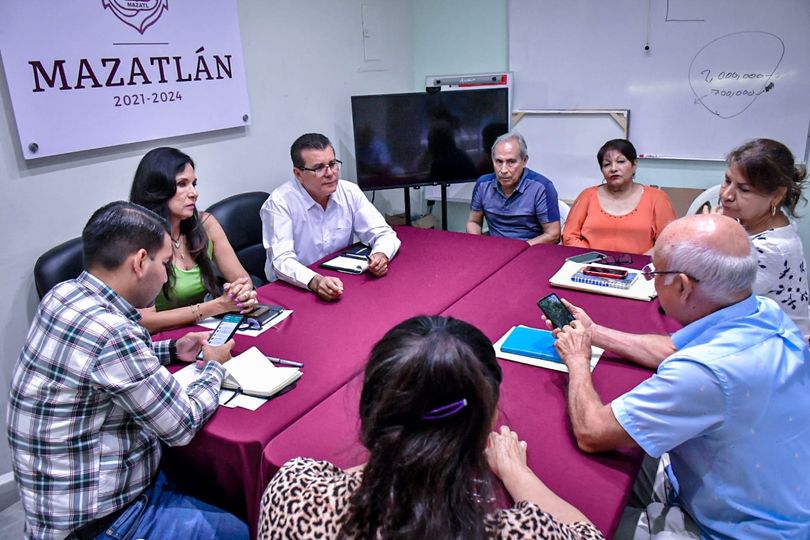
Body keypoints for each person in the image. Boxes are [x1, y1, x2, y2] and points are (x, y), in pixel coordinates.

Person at [548, 214, 810, 539]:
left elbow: (593, 432)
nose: (652, 282)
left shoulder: (704, 372)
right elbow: (673, 350)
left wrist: (577, 358)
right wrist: (594, 332)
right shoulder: (765, 311)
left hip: (732, 530)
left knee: (579, 507)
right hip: (781, 501)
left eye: (654, 273)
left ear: (683, 286)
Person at [7, 201, 248, 540]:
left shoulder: (63, 294)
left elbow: (100, 365)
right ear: (139, 262)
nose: (166, 275)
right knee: (244, 528)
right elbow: (181, 425)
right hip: (103, 520)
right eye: (165, 264)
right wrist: (213, 366)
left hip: (56, 509)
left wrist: (171, 349)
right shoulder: (113, 333)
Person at [258, 315, 604, 539]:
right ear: (486, 421)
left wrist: (395, 455)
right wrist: (517, 472)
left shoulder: (292, 489)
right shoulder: (515, 533)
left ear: (370, 411)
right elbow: (587, 534)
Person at [130, 147, 258, 333]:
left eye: (194, 184)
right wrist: (216, 306)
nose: (194, 193)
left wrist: (242, 294)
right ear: (157, 189)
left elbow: (242, 280)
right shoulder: (138, 240)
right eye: (182, 184)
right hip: (165, 338)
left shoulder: (206, 224)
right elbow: (143, 321)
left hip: (207, 328)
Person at [261, 133, 400, 301]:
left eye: (333, 164)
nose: (330, 173)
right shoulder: (279, 204)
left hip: (341, 280)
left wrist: (381, 254)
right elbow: (281, 261)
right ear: (298, 174)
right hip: (294, 287)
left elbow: (383, 232)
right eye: (319, 168)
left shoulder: (349, 192)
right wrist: (315, 281)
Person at [719, 138, 809, 342]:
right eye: (727, 180)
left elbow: (715, 303)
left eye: (744, 189)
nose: (727, 195)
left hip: (780, 347)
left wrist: (714, 235)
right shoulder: (765, 223)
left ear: (776, 196)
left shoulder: (770, 248)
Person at [563, 139, 676, 254]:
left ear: (634, 165)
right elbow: (569, 236)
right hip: (590, 262)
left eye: (621, 161)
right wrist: (592, 258)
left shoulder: (657, 198)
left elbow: (668, 242)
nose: (613, 168)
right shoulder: (587, 196)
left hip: (642, 264)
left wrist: (639, 261)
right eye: (607, 164)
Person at [467, 132, 561, 245]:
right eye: (499, 161)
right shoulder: (483, 184)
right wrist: (477, 243)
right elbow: (474, 222)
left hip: (529, 248)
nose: (503, 170)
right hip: (493, 248)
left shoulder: (542, 187)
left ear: (524, 161)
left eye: (511, 162)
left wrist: (520, 248)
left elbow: (553, 235)